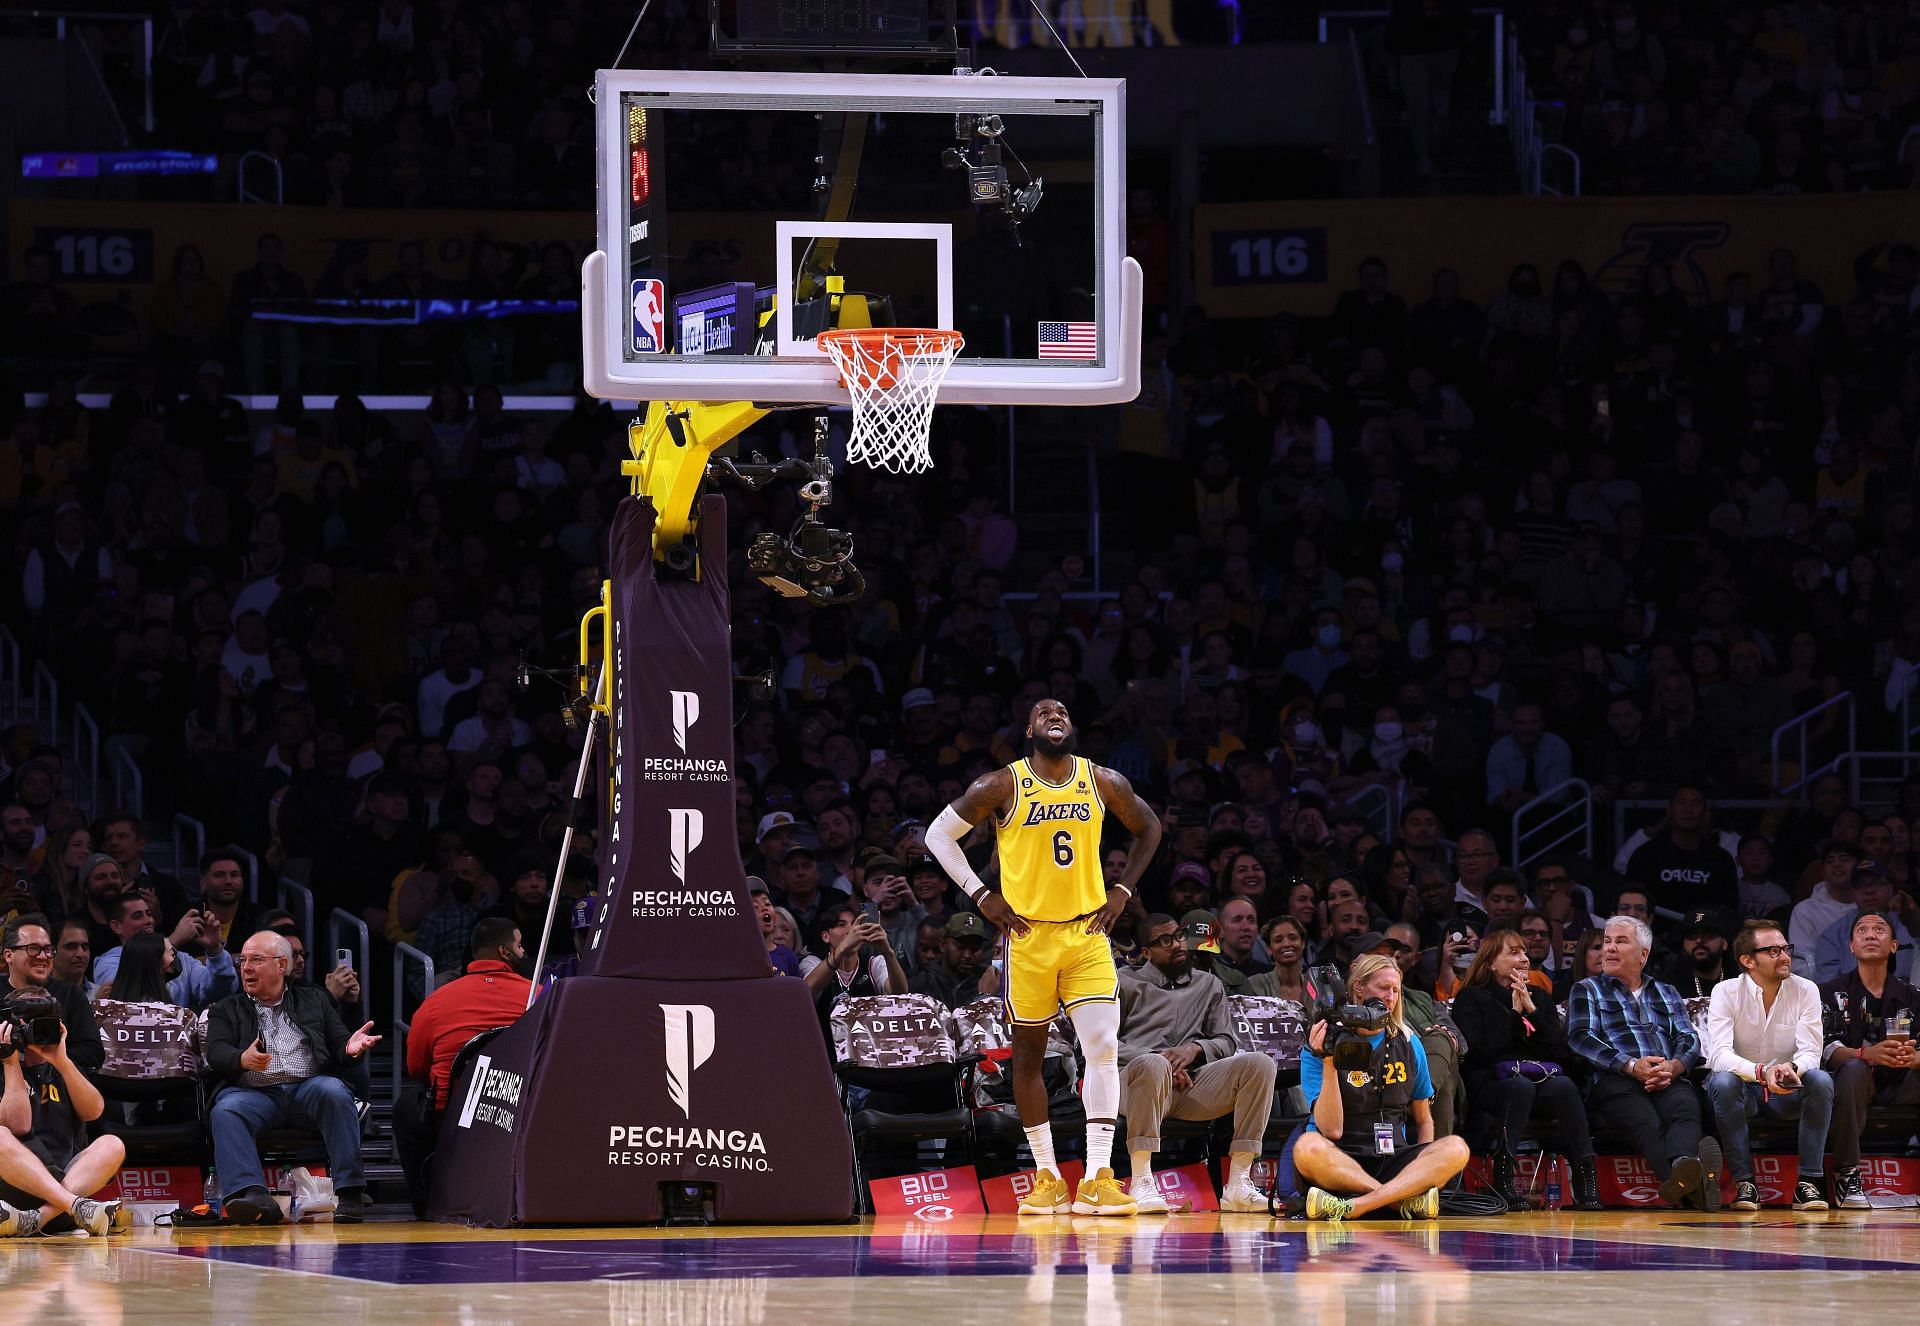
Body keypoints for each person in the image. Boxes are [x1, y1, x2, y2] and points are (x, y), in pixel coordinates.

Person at [926, 697, 1162, 1217]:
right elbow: (937, 835)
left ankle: (1099, 1175)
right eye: (1043, 712)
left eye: (1063, 711)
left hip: (1086, 935)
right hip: (1028, 939)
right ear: (1029, 729)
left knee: (1101, 1049)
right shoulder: (1001, 784)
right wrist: (980, 895)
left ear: (1071, 727)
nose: (1056, 714)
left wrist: (1122, 891)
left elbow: (1151, 829)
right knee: (1029, 1056)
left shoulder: (1102, 781)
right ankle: (1048, 1177)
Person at [205, 931, 380, 1225]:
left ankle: (349, 1193)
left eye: (256, 960)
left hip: (307, 1089)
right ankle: (252, 1196)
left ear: (282, 966)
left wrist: (351, 1050)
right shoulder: (226, 1008)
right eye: (242, 960)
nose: (246, 967)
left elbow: (340, 1043)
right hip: (255, 1094)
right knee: (226, 1109)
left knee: (335, 1091)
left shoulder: (313, 1000)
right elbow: (216, 1051)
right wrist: (241, 1059)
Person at [1291, 953, 1470, 1220]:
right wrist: (1329, 1061)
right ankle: (1396, 1201)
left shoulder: (1409, 1043)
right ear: (1359, 988)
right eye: (1383, 988)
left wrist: (1421, 1170)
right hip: (1341, 1160)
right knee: (1307, 1147)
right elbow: (1331, 1130)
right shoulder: (1319, 1046)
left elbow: (1423, 1120)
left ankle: (1358, 1206)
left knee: (1456, 1148)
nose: (1390, 996)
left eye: (1396, 990)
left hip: (1393, 1156)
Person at [1116, 914, 1274, 1212]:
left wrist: (1195, 1049)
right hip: (1138, 1085)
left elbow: (1227, 1042)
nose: (1176, 945)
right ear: (1146, 951)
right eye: (1164, 941)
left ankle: (1239, 1182)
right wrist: (1158, 1058)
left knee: (1260, 1064)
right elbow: (1103, 1045)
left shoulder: (1209, 985)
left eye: (1178, 936)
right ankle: (1142, 1182)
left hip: (1192, 1085)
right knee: (1154, 1067)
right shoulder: (1124, 982)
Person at [1567, 916, 1717, 1209]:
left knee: (1685, 1107)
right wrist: (1630, 1065)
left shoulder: (1666, 991)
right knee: (1647, 1123)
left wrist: (1674, 1066)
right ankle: (1694, 1184)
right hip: (1614, 1081)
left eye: (1620, 941)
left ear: (1643, 954)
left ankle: (1684, 1173)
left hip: (1666, 1075)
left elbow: (1688, 1037)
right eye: (1606, 942)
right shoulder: (1587, 989)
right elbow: (1580, 1038)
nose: (1609, 949)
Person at [1452, 929, 1601, 1210]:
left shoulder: (1540, 998)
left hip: (1538, 1081)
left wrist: (1532, 1012)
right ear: (1491, 963)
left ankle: (1585, 1176)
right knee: (1519, 1086)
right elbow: (1481, 1053)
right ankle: (1503, 1175)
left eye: (1523, 952)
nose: (1523, 958)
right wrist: (1513, 1015)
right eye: (1513, 952)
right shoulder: (1471, 998)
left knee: (1564, 1086)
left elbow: (1561, 1056)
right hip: (1491, 1085)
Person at [395, 917, 530, 1218]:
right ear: (505, 952)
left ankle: (425, 1206)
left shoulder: (436, 1001)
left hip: (454, 1117)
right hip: (518, 1114)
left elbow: (416, 1067)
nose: (524, 952)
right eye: (520, 945)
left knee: (407, 1108)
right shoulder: (537, 997)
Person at [1703, 920, 1833, 1212]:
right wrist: (1762, 1072)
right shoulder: (1725, 992)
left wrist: (1791, 1068)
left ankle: (1808, 1183)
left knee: (1821, 1079)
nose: (1785, 957)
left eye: (1786, 948)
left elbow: (1812, 1051)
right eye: (1773, 951)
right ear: (1748, 960)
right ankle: (1745, 1183)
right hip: (1743, 1093)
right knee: (1722, 1081)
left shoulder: (1806, 989)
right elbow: (1718, 1055)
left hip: (1788, 1090)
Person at [1819, 910, 1920, 1210]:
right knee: (1851, 1068)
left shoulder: (1914, 996)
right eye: (1862, 930)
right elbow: (1825, 1049)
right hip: (1856, 1085)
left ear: (1893, 946)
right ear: (1851, 946)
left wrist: (1915, 1059)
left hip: (1904, 1082)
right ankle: (1847, 1173)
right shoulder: (1828, 993)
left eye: (1879, 929)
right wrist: (1866, 1054)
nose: (1870, 934)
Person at [0, 999, 125, 1238]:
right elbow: (19, 1125)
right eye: (26, 1027)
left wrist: (61, 1061)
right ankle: (71, 1205)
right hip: (12, 1200)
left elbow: (94, 1111)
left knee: (112, 1144)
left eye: (43, 1025)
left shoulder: (64, 1068)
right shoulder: (4, 1065)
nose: (34, 1034)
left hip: (63, 1201)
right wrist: (11, 1061)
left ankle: (37, 1219)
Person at [90, 892, 236, 1011]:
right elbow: (132, 996)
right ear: (116, 926)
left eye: (149, 913)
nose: (148, 921)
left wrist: (214, 950)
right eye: (137, 916)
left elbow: (221, 992)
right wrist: (170, 943)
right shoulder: (108, 962)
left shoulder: (183, 959)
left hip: (176, 1042)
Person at [91, 931, 203, 1083]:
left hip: (114, 1092)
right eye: (171, 954)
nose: (175, 959)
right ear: (159, 964)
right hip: (164, 1088)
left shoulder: (101, 1011)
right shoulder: (181, 1017)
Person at [2, 914, 103, 1071]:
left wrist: (48, 1056)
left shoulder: (71, 994)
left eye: (48, 949)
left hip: (58, 1085)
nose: (43, 956)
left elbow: (93, 1053)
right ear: (9, 955)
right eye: (33, 949)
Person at [908, 912, 999, 1008]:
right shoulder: (921, 985)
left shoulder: (990, 982)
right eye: (961, 947)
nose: (967, 955)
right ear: (943, 945)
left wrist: (986, 998)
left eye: (975, 948)